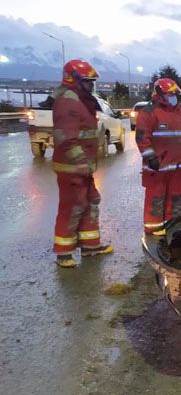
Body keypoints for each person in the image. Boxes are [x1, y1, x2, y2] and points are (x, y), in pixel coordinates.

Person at [51, 59, 114, 267]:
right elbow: (66, 139)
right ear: (74, 80)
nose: (90, 85)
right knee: (72, 207)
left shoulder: (79, 100)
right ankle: (64, 253)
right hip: (72, 168)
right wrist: (81, 162)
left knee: (90, 202)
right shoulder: (68, 102)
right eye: (87, 81)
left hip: (83, 168)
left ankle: (90, 246)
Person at [136, 78, 181, 235]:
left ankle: (172, 223)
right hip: (158, 166)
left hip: (178, 165)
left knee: (176, 196)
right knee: (156, 196)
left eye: (175, 94)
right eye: (170, 94)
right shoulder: (149, 113)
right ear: (160, 94)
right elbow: (142, 138)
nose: (174, 97)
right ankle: (154, 227)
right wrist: (150, 157)